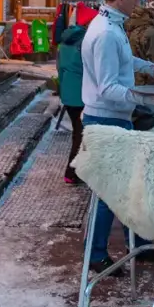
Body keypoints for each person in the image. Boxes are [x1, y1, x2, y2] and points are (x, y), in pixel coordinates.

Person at [81, 0, 154, 274]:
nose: (138, 2)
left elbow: (123, 61)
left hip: (113, 119)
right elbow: (107, 87)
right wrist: (146, 98)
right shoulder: (105, 32)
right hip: (107, 120)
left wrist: (149, 67)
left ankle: (135, 245)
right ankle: (95, 256)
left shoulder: (111, 26)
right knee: (111, 194)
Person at [57, 19, 91, 185]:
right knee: (81, 134)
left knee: (78, 132)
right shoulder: (86, 42)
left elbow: (60, 69)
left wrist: (62, 91)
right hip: (82, 94)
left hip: (69, 94)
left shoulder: (64, 44)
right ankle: (71, 172)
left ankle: (77, 170)